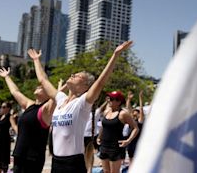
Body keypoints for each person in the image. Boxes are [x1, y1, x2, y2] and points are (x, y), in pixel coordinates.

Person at [28, 40, 133, 173]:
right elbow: (43, 80)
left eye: (77, 76)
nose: (72, 75)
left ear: (85, 87)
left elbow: (100, 82)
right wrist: (36, 60)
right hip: (56, 161)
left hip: (73, 163)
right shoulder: (61, 99)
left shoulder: (82, 103)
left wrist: (115, 55)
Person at [0, 67, 55, 173]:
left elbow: (45, 81)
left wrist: (36, 60)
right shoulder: (29, 104)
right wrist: (7, 77)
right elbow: (15, 91)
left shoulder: (46, 109)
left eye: (42, 87)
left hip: (33, 158)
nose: (39, 86)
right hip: (19, 154)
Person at [98, 91, 139, 173]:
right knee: (105, 171)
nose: (109, 100)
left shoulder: (123, 114)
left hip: (115, 147)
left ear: (119, 102)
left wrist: (128, 140)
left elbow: (135, 128)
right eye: (109, 98)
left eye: (112, 99)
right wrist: (99, 137)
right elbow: (103, 126)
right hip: (104, 145)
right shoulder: (107, 112)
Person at [125, 90, 145, 166]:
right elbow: (128, 108)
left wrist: (140, 98)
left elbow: (141, 109)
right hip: (131, 141)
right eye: (133, 111)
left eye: (136, 111)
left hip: (137, 142)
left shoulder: (140, 120)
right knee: (131, 160)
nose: (134, 112)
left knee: (137, 160)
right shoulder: (132, 120)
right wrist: (129, 99)